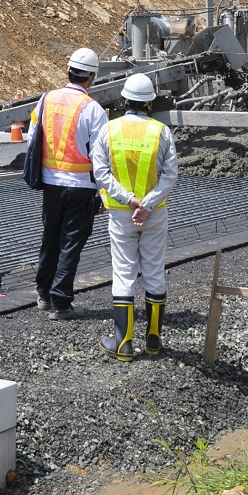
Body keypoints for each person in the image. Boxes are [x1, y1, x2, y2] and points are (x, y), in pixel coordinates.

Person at [92, 74, 178, 361]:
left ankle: (123, 343)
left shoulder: (109, 130)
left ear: (124, 100)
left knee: (123, 273)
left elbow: (101, 173)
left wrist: (129, 200)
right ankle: (153, 340)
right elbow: (170, 176)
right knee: (154, 271)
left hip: (120, 214)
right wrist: (148, 204)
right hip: (154, 215)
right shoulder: (161, 132)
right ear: (150, 103)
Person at [32, 47, 109, 319]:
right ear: (91, 76)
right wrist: (103, 193)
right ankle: (61, 302)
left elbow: (33, 137)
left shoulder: (46, 100)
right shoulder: (93, 109)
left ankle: (43, 295)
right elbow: (101, 156)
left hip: (51, 184)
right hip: (81, 187)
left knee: (50, 238)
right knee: (71, 244)